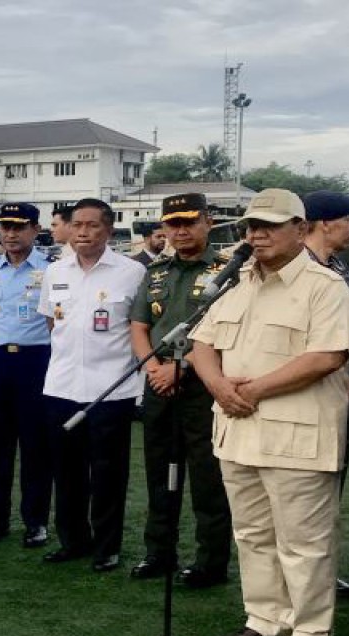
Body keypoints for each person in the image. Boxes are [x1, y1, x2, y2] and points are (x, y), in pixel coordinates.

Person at [187, 188, 349, 636]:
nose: (256, 235)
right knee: (253, 534)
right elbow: (201, 343)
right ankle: (265, 621)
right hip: (238, 430)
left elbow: (327, 356)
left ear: (301, 230)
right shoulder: (236, 282)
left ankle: (310, 633)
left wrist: (253, 390)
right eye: (251, 226)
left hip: (297, 436)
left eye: (270, 226)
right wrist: (219, 387)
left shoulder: (325, 287)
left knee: (304, 541)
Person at [128, 193, 232, 588]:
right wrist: (153, 368)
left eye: (190, 221)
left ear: (208, 222)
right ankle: (159, 552)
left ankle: (210, 562)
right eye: (174, 223)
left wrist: (181, 367)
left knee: (208, 478)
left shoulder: (228, 270)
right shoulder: (155, 271)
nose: (181, 230)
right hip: (158, 382)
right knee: (159, 473)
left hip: (204, 385)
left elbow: (226, 332)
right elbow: (139, 325)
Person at [38, 198, 145, 572]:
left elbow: (138, 327)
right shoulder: (55, 271)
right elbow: (53, 323)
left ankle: (106, 546)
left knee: (108, 474)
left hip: (110, 390)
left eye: (92, 225)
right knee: (66, 471)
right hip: (61, 387)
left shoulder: (132, 272)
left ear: (109, 230)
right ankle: (72, 540)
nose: (82, 232)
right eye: (77, 224)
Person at [301, 190, 349, 600]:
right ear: (326, 224)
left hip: (337, 392)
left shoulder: (340, 268)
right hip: (302, 395)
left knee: (330, 485)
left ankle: (322, 571)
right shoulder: (297, 267)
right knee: (302, 493)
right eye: (348, 221)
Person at [0, 203, 53, 548]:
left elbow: (55, 322)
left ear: (35, 230)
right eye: (5, 227)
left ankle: (35, 521)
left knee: (36, 447)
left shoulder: (52, 271)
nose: (11, 234)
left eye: (19, 227)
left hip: (37, 361)